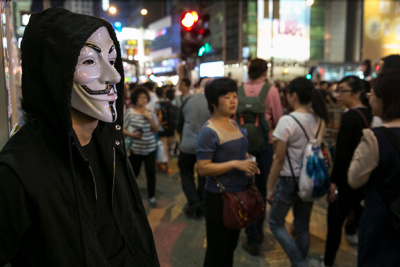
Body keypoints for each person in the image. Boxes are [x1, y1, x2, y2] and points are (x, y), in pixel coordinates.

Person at [0, 7, 159, 266]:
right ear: (52, 73)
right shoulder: (18, 170)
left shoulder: (109, 140)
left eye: (111, 58)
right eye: (88, 61)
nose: (114, 76)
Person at [196, 78, 260, 266]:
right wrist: (235, 164)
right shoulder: (209, 131)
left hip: (239, 194)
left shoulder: (234, 124)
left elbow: (240, 152)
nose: (233, 101)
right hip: (219, 198)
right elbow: (203, 168)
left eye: (234, 96)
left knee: (230, 248)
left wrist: (248, 162)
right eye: (227, 97)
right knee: (217, 252)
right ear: (214, 102)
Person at [267, 77, 329, 267]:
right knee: (302, 227)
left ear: (293, 95)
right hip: (309, 179)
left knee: (275, 222)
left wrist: (269, 187)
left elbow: (279, 159)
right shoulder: (319, 119)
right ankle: (299, 263)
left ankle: (299, 262)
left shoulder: (287, 121)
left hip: (288, 179)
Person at [348, 69, 400, 266]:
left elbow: (354, 179)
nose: (369, 98)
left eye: (373, 94)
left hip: (382, 219)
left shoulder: (374, 137)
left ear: (385, 100)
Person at [322, 76, 372, 267]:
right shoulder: (371, 113)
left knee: (334, 224)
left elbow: (342, 154)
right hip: (365, 179)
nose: (338, 95)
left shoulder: (350, 116)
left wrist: (334, 183)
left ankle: (328, 262)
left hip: (345, 180)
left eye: (342, 91)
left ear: (357, 93)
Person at [241, 58, 283, 255]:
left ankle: (251, 234)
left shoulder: (239, 90)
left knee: (246, 188)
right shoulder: (271, 91)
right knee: (262, 186)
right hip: (264, 145)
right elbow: (279, 119)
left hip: (243, 146)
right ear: (264, 72)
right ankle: (259, 231)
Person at [177, 92, 211, 219]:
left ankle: (193, 200)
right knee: (204, 174)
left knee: (186, 173)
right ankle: (201, 202)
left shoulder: (188, 101)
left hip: (188, 143)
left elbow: (179, 124)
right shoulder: (213, 101)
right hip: (207, 145)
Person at [123, 87, 159, 207]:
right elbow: (122, 129)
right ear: (135, 98)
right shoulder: (130, 112)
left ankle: (151, 196)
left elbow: (156, 130)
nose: (144, 99)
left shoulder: (151, 112)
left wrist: (149, 118)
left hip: (150, 148)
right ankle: (129, 195)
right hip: (136, 149)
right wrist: (133, 134)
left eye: (145, 97)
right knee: (134, 173)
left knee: (151, 174)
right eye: (141, 97)